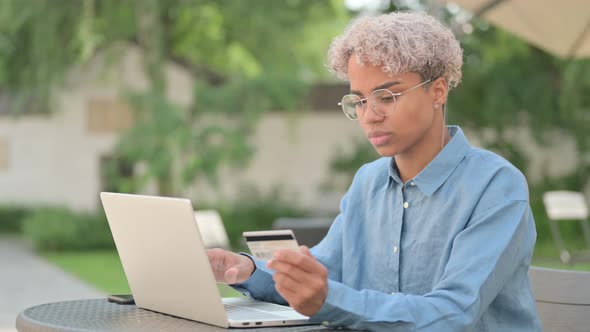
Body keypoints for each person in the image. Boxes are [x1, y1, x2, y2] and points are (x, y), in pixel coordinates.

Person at [207, 11, 541, 331]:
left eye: (387, 96)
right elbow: (326, 272)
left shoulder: (496, 186)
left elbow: (451, 314)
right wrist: (247, 270)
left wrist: (327, 298)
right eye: (360, 100)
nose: (370, 115)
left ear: (437, 90)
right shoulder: (368, 182)